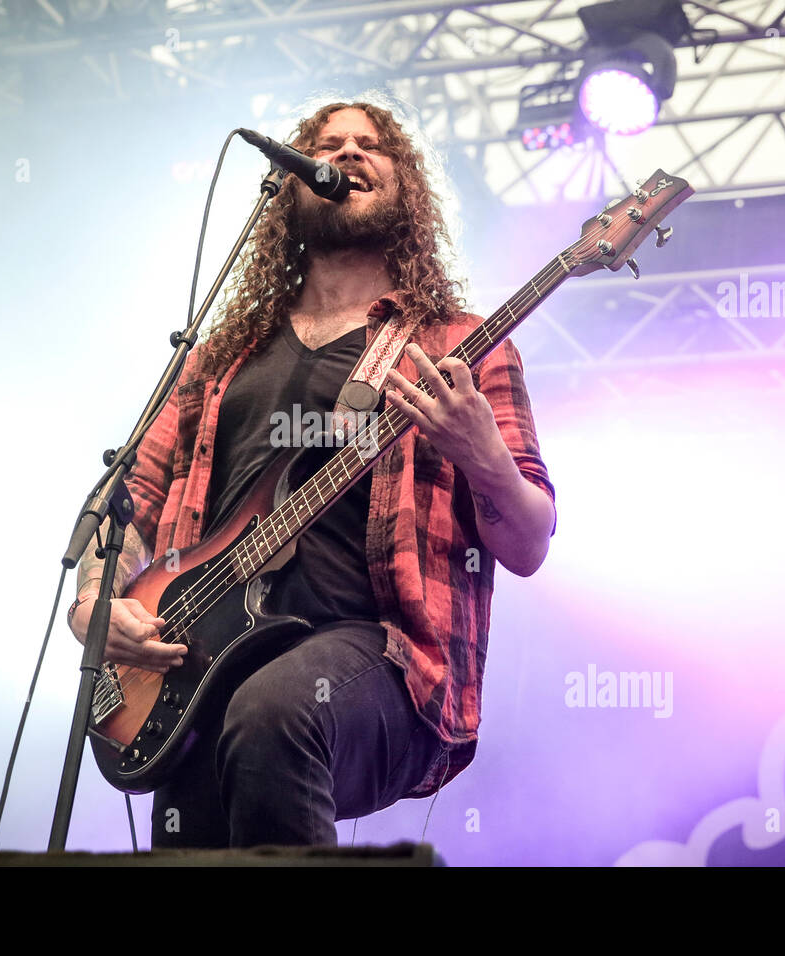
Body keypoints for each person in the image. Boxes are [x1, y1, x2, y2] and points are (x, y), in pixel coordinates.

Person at [70, 100, 556, 849]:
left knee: (276, 713)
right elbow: (128, 502)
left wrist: (481, 452)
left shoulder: (455, 346)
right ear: (292, 183)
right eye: (329, 145)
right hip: (196, 667)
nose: (350, 153)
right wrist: (99, 606)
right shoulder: (223, 357)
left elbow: (528, 543)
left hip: (383, 653)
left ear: (407, 187)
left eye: (372, 145)